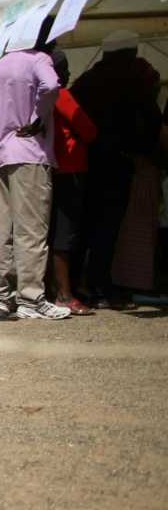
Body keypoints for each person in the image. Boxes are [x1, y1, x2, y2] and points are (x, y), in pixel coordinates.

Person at [0, 22, 68, 320]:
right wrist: (37, 117)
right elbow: (52, 86)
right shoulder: (39, 60)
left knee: (3, 230)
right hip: (30, 153)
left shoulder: (0, 64)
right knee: (32, 228)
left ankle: (4, 296)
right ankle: (31, 298)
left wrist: (1, 118)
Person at [70, 29, 162, 308]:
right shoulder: (137, 78)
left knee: (84, 225)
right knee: (108, 228)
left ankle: (78, 283)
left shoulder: (86, 81)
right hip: (121, 161)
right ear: (130, 52)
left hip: (86, 161)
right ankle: (103, 286)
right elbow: (149, 120)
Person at [47, 50, 97, 315]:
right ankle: (65, 294)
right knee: (65, 234)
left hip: (53, 170)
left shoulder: (42, 95)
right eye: (64, 69)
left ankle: (58, 289)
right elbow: (88, 129)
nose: (68, 74)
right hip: (70, 169)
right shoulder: (61, 95)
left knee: (55, 231)